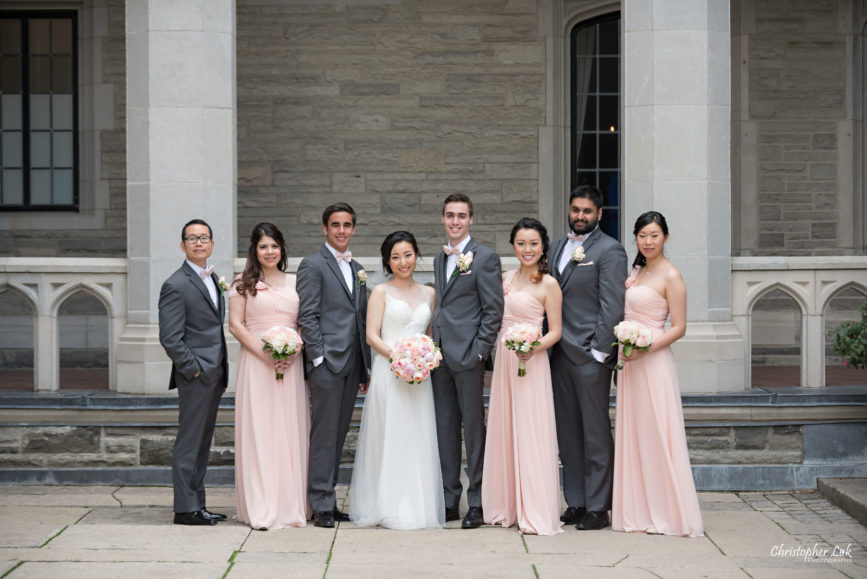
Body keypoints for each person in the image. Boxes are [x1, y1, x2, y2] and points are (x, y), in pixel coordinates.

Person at [612, 212, 704, 538]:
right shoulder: (637, 271)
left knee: (658, 433)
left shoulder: (671, 275)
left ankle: (668, 512)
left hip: (653, 361)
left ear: (665, 237)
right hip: (630, 365)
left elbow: (679, 327)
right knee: (635, 434)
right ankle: (638, 509)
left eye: (654, 235)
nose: (648, 242)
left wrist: (645, 349)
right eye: (642, 236)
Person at [349, 231, 445, 530]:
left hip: (419, 377)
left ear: (416, 255)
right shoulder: (380, 292)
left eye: (408, 254)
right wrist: (400, 358)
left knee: (417, 435)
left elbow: (428, 335)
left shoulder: (429, 293)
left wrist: (421, 359)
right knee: (389, 435)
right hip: (389, 372)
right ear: (387, 262)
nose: (403, 262)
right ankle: (386, 504)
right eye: (395, 257)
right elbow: (371, 335)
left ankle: (418, 505)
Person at [549, 185, 627, 531]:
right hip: (556, 354)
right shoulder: (556, 247)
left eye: (587, 211)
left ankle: (599, 505)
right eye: (576, 210)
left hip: (588, 354)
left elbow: (612, 306)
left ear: (598, 214)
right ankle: (577, 501)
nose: (580, 216)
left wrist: (599, 351)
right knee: (567, 432)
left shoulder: (610, 251)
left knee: (595, 433)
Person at [482, 218, 563, 535]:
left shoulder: (549, 284)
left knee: (531, 430)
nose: (527, 249)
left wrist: (534, 347)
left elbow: (556, 330)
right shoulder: (505, 278)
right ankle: (508, 505)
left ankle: (535, 508)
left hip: (532, 361)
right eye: (521, 243)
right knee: (506, 427)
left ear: (543, 246)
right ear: (513, 246)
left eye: (533, 243)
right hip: (505, 360)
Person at [228, 223, 310, 530]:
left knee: (289, 429)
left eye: (274, 246)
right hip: (257, 363)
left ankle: (291, 504)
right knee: (261, 431)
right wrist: (266, 354)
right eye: (264, 247)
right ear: (255, 250)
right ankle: (261, 505)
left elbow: (303, 321)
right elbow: (236, 325)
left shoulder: (296, 282)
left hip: (290, 362)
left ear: (282, 248)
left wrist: (293, 349)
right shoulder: (243, 283)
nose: (270, 252)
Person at [432, 193, 504, 529]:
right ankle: (450, 500)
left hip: (469, 357)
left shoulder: (486, 257)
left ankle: (477, 502)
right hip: (440, 357)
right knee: (445, 430)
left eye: (462, 216)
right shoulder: (439, 258)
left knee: (474, 432)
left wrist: (480, 351)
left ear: (471, 219)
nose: (455, 221)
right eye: (450, 215)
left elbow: (493, 310)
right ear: (443, 218)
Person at [297, 203, 371, 529]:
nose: (342, 230)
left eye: (347, 225)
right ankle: (321, 504)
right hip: (327, 364)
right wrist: (318, 359)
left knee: (339, 436)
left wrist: (365, 368)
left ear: (353, 228)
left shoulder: (356, 268)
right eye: (335, 225)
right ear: (325, 228)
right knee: (324, 436)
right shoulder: (313, 265)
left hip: (353, 364)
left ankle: (329, 497)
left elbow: (360, 319)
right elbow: (308, 315)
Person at [158, 219, 229, 526]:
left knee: (202, 443)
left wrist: (218, 372)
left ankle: (197, 505)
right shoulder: (176, 284)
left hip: (214, 375)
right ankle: (186, 509)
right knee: (190, 442)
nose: (199, 243)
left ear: (212, 243)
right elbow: (170, 337)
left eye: (204, 238)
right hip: (197, 377)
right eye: (192, 238)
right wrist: (195, 370)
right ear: (183, 245)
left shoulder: (210, 280)